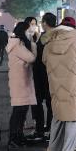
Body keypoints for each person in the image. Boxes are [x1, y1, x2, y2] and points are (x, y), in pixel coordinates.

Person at [43, 15, 76, 151]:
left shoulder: (49, 44)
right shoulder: (75, 43)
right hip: (73, 84)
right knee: (72, 116)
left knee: (58, 116)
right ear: (73, 28)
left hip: (56, 84)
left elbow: (44, 60)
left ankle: (53, 148)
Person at [6, 21, 37, 148]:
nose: (30, 33)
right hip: (20, 82)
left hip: (20, 80)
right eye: (28, 31)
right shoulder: (17, 45)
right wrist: (33, 45)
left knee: (22, 110)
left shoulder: (18, 43)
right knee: (18, 111)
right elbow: (31, 58)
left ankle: (19, 136)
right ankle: (14, 138)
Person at [29, 13, 56, 141]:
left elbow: (39, 56)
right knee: (51, 103)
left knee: (38, 102)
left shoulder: (45, 37)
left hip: (41, 74)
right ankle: (50, 129)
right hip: (52, 74)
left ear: (44, 23)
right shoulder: (57, 36)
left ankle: (40, 129)